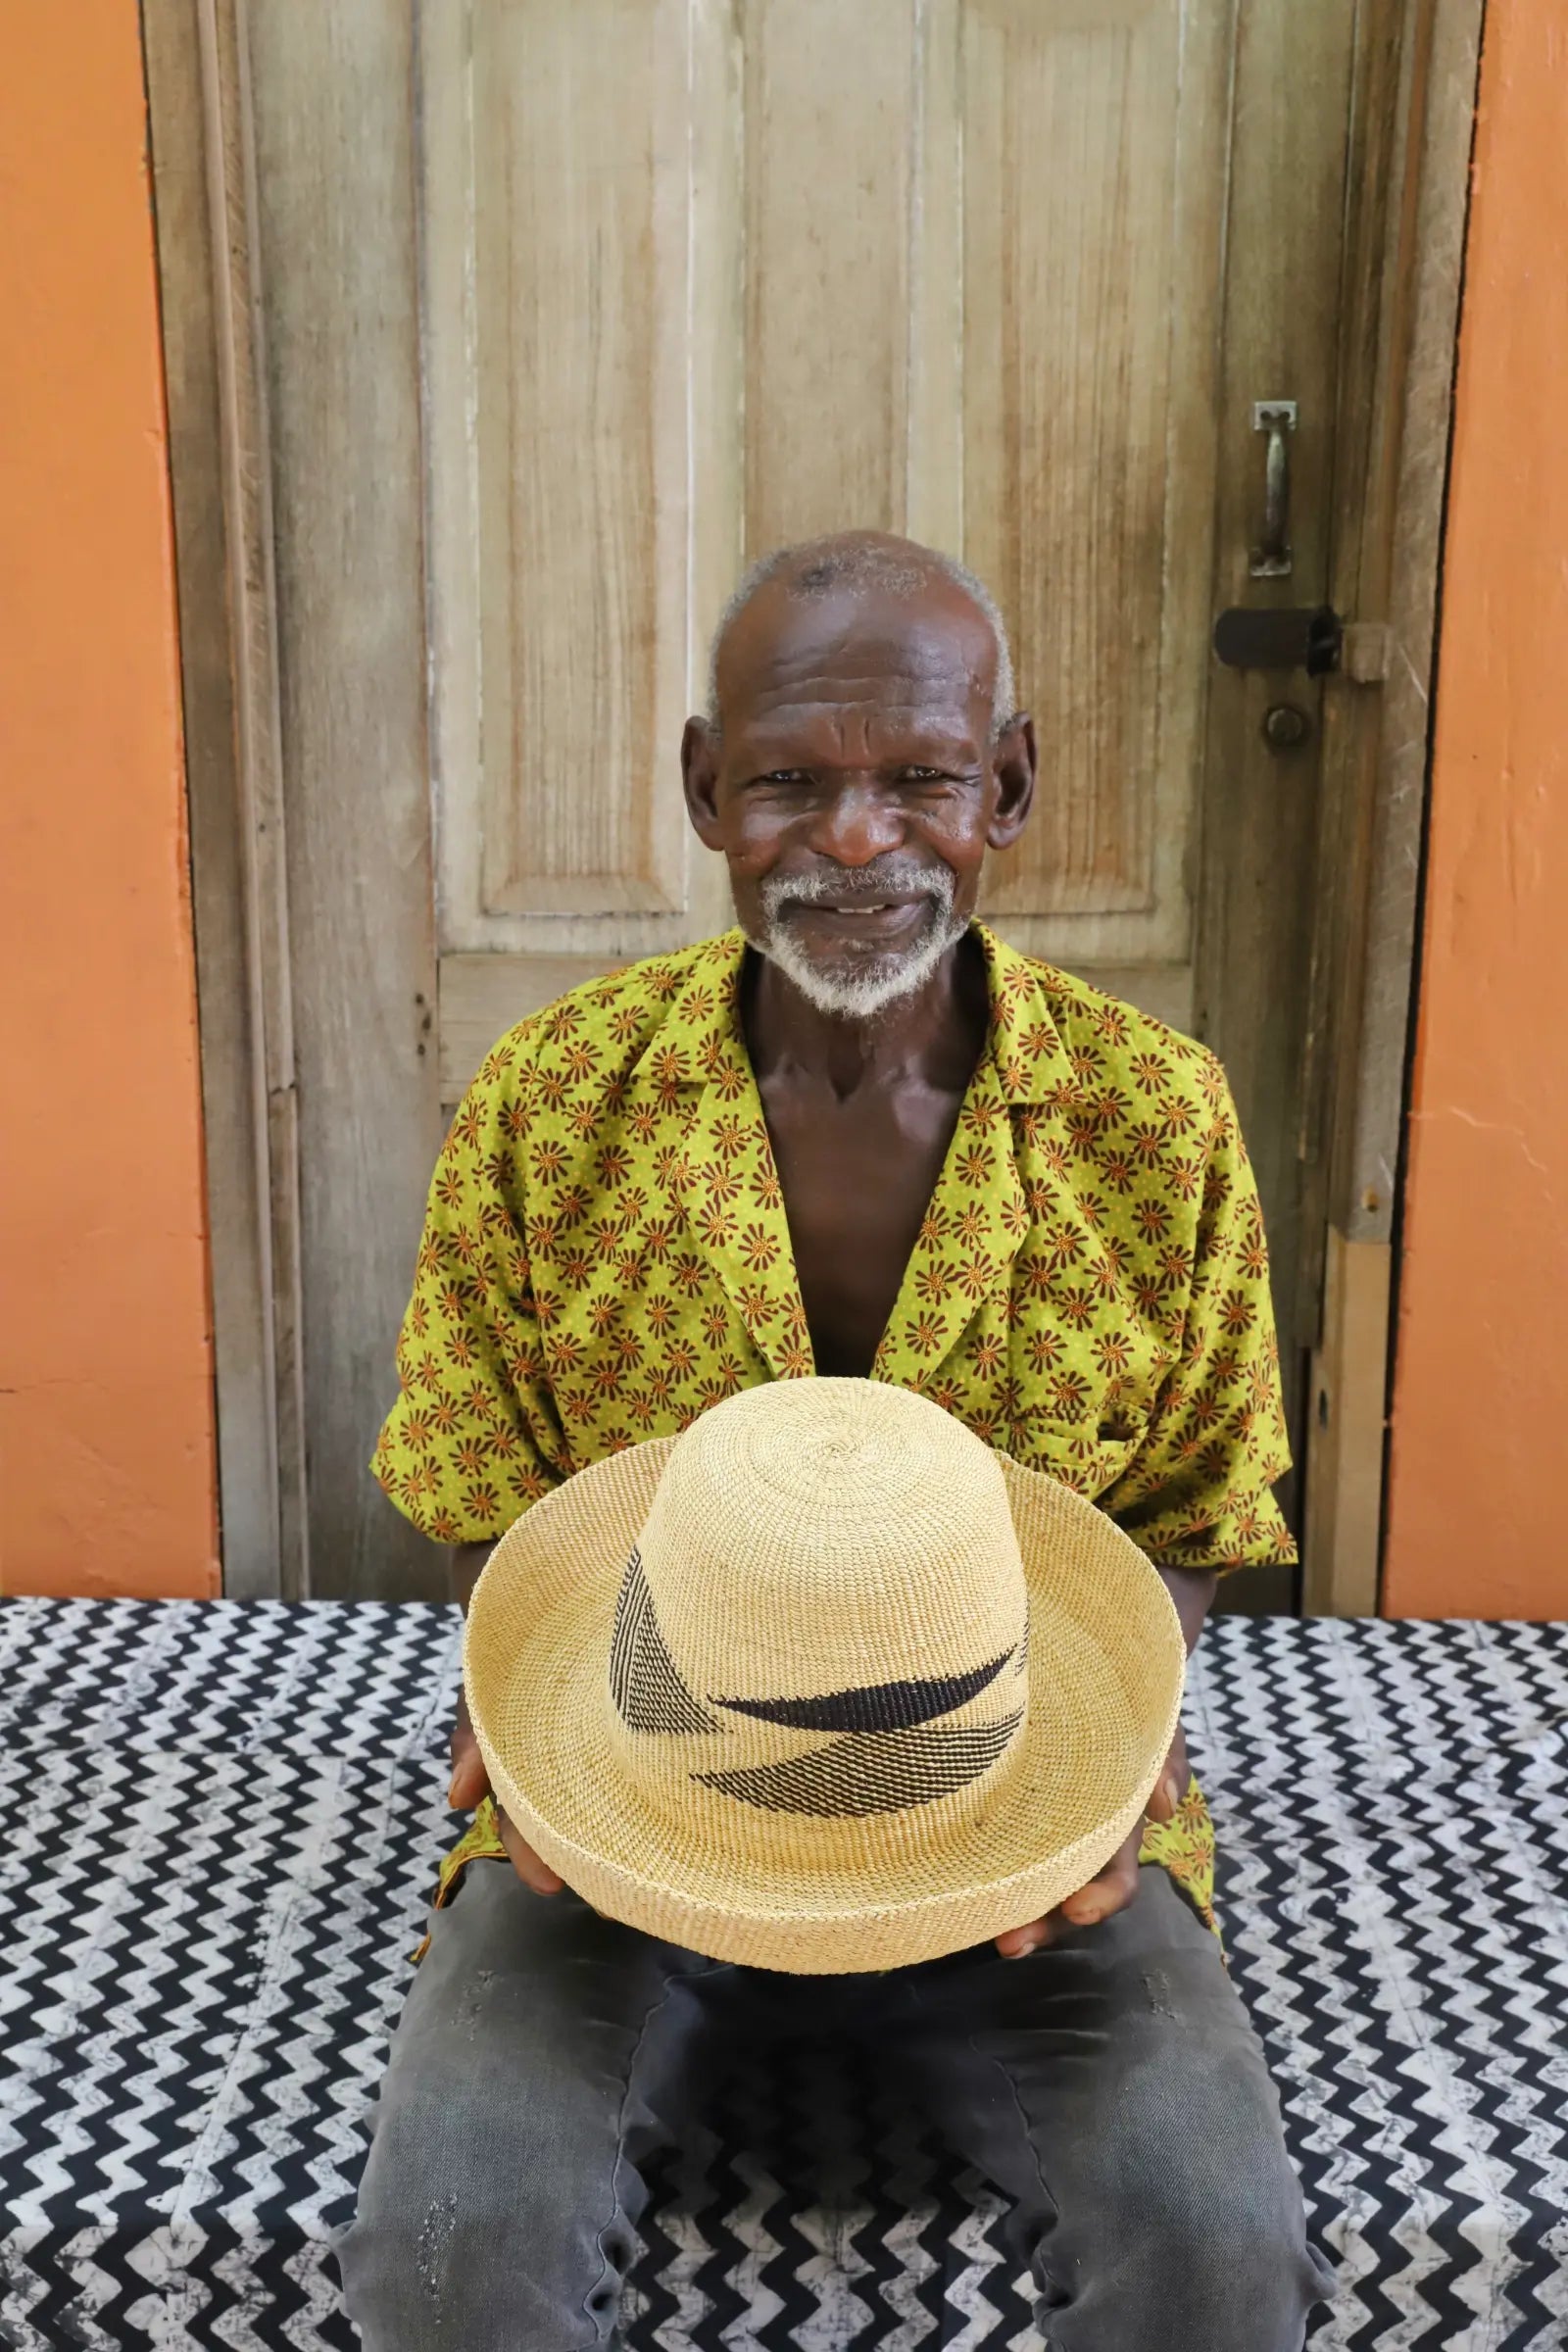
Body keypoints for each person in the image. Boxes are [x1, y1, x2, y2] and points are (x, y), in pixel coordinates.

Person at [340, 531, 1334, 2348]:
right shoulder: (550, 1107)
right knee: (442, 2256)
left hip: (1013, 1817)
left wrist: (1117, 1769)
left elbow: (1194, 1507)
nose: (858, 840)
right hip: (633, 1813)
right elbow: (481, 1479)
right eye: (791, 781)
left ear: (1009, 785)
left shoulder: (1155, 1123)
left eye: (923, 780)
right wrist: (527, 1723)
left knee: (1217, 2253)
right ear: (708, 789)